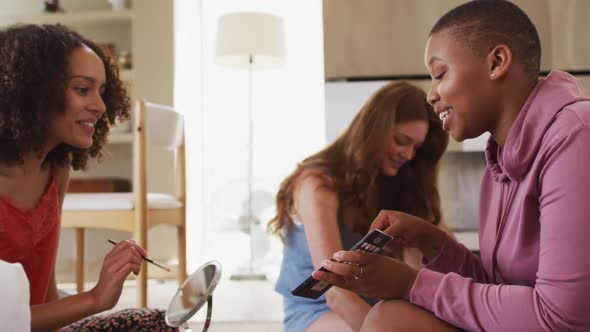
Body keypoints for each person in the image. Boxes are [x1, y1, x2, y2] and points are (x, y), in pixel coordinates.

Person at [313, 1, 590, 331]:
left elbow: (563, 319)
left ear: (497, 62)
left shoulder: (577, 136)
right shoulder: (499, 165)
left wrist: (412, 284)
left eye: (440, 73)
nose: (430, 95)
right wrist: (433, 242)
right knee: (390, 316)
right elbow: (500, 289)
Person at [0, 24, 173, 331]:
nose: (100, 106)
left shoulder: (57, 170)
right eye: (82, 89)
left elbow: (45, 288)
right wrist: (94, 299)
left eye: (102, 91)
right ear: (34, 92)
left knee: (157, 322)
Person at [268, 81, 451, 332]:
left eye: (416, 148)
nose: (408, 155)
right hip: (318, 310)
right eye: (401, 141)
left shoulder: (397, 185)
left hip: (376, 308)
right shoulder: (317, 185)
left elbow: (441, 255)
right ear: (373, 131)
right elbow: (335, 294)